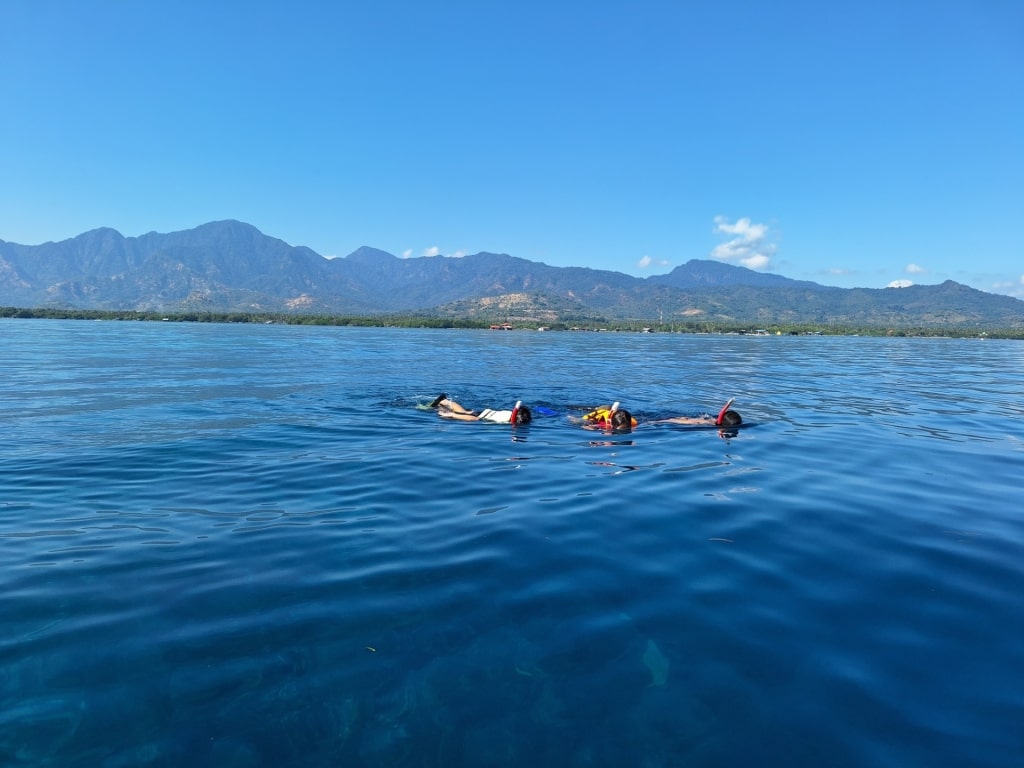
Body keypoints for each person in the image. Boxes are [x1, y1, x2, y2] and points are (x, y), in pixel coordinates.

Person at [428, 394, 532, 425]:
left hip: (484, 412)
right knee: (460, 414)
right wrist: (452, 415)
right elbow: (474, 419)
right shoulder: (504, 420)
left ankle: (445, 402)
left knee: (464, 411)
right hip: (480, 416)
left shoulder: (509, 413)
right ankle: (445, 405)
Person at [652, 398, 742, 427]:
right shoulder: (705, 422)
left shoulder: (711, 420)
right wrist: (655, 422)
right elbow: (679, 421)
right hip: (683, 420)